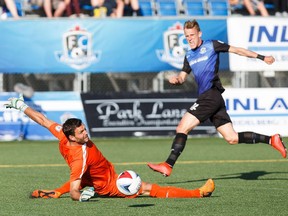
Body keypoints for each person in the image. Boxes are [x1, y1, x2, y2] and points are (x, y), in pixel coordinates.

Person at [4, 94, 215, 201]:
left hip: (92, 173)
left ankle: (55, 193)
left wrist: (21, 106)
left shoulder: (63, 134)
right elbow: (76, 191)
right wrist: (84, 197)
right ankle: (198, 193)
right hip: (107, 183)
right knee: (149, 188)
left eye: (85, 129)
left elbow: (42, 120)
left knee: (80, 179)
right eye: (82, 133)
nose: (86, 134)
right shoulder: (81, 156)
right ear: (72, 137)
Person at [147, 19, 287, 177]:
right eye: (187, 36)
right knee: (232, 138)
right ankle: (271, 139)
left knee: (182, 128)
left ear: (199, 34)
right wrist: (177, 80)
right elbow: (182, 76)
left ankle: (168, 164)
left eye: (192, 35)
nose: (190, 38)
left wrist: (262, 57)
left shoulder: (211, 45)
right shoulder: (188, 55)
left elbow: (238, 50)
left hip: (210, 95)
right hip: (213, 99)